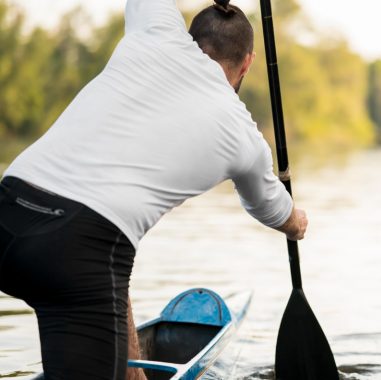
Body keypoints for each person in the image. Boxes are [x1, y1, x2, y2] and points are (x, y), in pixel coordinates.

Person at [0, 0, 306, 378]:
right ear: (248, 63)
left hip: (9, 207)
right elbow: (275, 211)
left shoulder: (154, 30)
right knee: (110, 247)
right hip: (76, 255)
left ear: (193, 40)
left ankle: (131, 370)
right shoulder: (243, 136)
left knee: (116, 252)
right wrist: (297, 223)